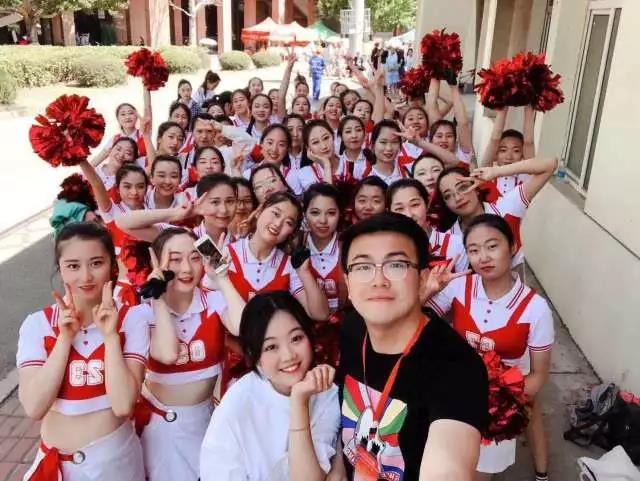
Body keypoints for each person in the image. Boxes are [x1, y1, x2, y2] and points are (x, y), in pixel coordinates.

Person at [335, 212, 489, 480]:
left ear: (422, 278)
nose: (378, 280)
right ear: (348, 283)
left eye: (396, 265)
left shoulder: (457, 367)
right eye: (362, 267)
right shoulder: (352, 328)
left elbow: (448, 465)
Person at [18, 222, 148, 481]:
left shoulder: (132, 320)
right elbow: (34, 407)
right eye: (73, 266)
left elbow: (123, 405)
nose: (86, 277)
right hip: (59, 467)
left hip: (116, 465)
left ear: (112, 266)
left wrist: (111, 337)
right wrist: (65, 338)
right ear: (60, 269)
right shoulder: (37, 324)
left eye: (96, 263)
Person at [427, 214, 554, 479]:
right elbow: (414, 321)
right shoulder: (459, 287)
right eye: (474, 250)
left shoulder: (536, 308)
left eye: (492, 246)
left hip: (498, 408)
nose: (483, 257)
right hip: (454, 398)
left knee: (480, 473)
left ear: (513, 246)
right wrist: (429, 290)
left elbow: (538, 375)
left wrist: (502, 405)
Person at [132, 227, 245, 481]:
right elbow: (168, 354)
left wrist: (222, 278)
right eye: (175, 259)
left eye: (195, 258)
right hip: (163, 428)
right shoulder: (143, 314)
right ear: (156, 262)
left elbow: (244, 327)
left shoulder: (212, 301)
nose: (187, 268)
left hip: (206, 420)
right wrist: (158, 298)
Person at [200, 291, 340, 481]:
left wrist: (299, 401)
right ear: (255, 355)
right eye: (271, 347)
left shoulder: (325, 393)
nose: (288, 355)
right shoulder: (239, 401)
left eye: (296, 338)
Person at [435, 156, 558, 268]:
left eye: (463, 187)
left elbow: (550, 163)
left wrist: (497, 171)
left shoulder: (505, 208)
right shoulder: (448, 239)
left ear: (476, 188)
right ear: (446, 204)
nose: (457, 198)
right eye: (448, 196)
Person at [387, 178, 469, 274]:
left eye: (415, 204)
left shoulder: (456, 243)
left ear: (427, 203)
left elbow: (464, 281)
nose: (409, 214)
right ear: (389, 212)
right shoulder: (385, 250)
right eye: (399, 208)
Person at [480, 106, 536, 198]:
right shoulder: (488, 173)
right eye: (503, 150)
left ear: (523, 155)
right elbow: (494, 140)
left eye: (516, 151)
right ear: (495, 154)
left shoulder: (526, 176)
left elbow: (529, 143)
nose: (509, 157)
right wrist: (503, 104)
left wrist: (529, 105)